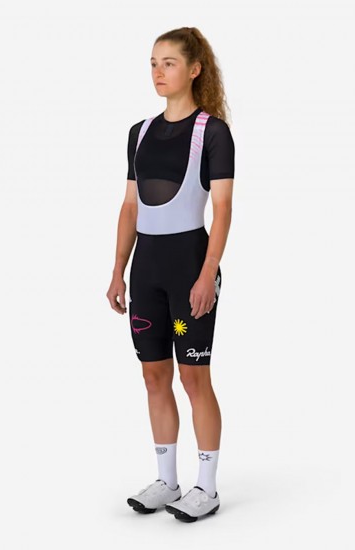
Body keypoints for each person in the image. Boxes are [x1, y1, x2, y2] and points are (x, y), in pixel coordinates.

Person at [106, 26, 235, 523]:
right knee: (153, 375)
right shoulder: (138, 133)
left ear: (195, 69)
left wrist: (207, 275)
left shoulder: (212, 132)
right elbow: (129, 207)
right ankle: (167, 480)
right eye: (153, 63)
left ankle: (207, 487)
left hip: (189, 270)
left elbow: (222, 209)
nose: (158, 72)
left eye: (170, 63)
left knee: (194, 376)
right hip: (147, 273)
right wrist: (118, 270)